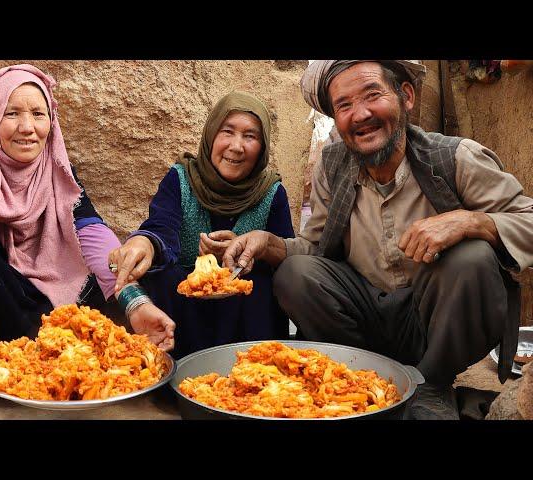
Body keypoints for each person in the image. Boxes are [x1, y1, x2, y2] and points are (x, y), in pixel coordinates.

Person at [223, 60, 533, 419]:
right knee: (295, 273)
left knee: (472, 257)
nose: (361, 115)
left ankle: (431, 384)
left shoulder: (455, 157)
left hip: (435, 320)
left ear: (406, 96)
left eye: (373, 95)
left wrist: (471, 221)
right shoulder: (333, 165)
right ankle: (362, 376)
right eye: (344, 105)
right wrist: (266, 243)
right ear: (336, 120)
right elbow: (314, 248)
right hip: (366, 316)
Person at [0, 64, 175, 419]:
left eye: (38, 113)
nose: (28, 127)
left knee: (127, 277)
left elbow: (90, 232)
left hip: (49, 298)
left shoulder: (56, 166)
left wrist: (134, 304)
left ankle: (46, 358)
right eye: (12, 113)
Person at [108, 91, 295, 359]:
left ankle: (257, 371)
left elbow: (283, 254)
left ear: (262, 146)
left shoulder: (271, 193)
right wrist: (144, 242)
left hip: (244, 318)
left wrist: (251, 252)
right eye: (227, 131)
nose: (237, 146)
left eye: (250, 136)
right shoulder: (181, 179)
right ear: (211, 136)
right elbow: (162, 228)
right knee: (160, 274)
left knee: (262, 284)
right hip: (184, 311)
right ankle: (168, 365)